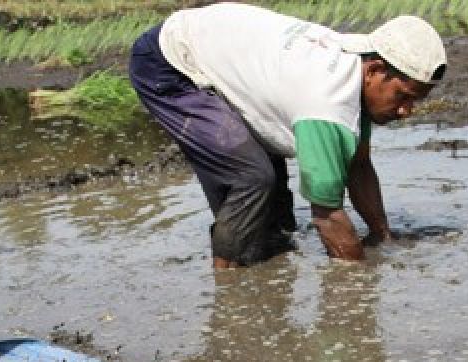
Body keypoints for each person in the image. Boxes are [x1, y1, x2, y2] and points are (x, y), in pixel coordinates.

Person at [128, 2, 446, 269]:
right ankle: (226, 283)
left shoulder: (357, 72)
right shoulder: (325, 102)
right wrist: (359, 282)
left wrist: (382, 237)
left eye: (416, 101)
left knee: (276, 228)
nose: (407, 111)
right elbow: (327, 213)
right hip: (170, 65)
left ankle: (258, 278)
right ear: (375, 70)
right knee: (251, 178)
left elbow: (358, 165)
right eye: (404, 96)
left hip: (226, 51)